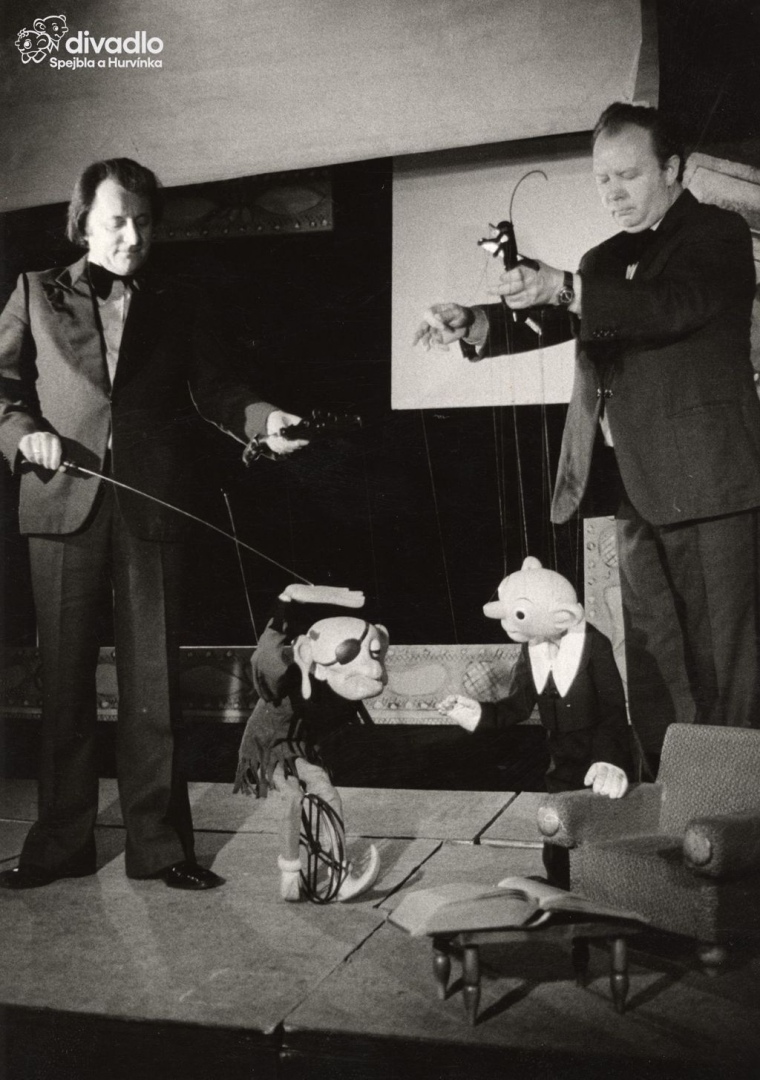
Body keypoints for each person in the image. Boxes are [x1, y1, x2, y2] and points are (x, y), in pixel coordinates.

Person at [416, 103, 760, 773]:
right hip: (635, 485)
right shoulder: (603, 259)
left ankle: (734, 804)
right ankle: (669, 789)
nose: (614, 193)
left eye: (629, 176)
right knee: (655, 660)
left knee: (726, 664)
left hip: (711, 486)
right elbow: (561, 318)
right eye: (603, 180)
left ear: (673, 168)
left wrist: (566, 287)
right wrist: (479, 322)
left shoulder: (716, 234)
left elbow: (668, 307)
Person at [0, 157, 307, 891]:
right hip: (61, 500)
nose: (132, 237)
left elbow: (219, 389)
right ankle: (60, 844)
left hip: (154, 504)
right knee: (64, 684)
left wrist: (267, 421)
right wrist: (24, 435)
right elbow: (2, 387)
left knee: (154, 686)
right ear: (83, 223)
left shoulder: (177, 299)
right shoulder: (34, 291)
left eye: (143, 222)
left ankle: (161, 847)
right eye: (117, 221)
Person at [438, 557, 631, 888]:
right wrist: (477, 713)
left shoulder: (594, 645)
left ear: (562, 617)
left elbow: (613, 711)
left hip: (596, 756)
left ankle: (602, 890)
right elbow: (518, 704)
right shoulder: (533, 647)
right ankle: (558, 885)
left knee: (598, 827)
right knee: (555, 822)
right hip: (561, 756)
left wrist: (608, 759)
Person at [234, 584, 386, 902]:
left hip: (296, 746)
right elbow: (265, 654)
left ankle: (340, 873)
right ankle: (290, 871)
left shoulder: (330, 683)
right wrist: (284, 603)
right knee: (291, 796)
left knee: (326, 790)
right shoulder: (285, 671)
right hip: (266, 746)